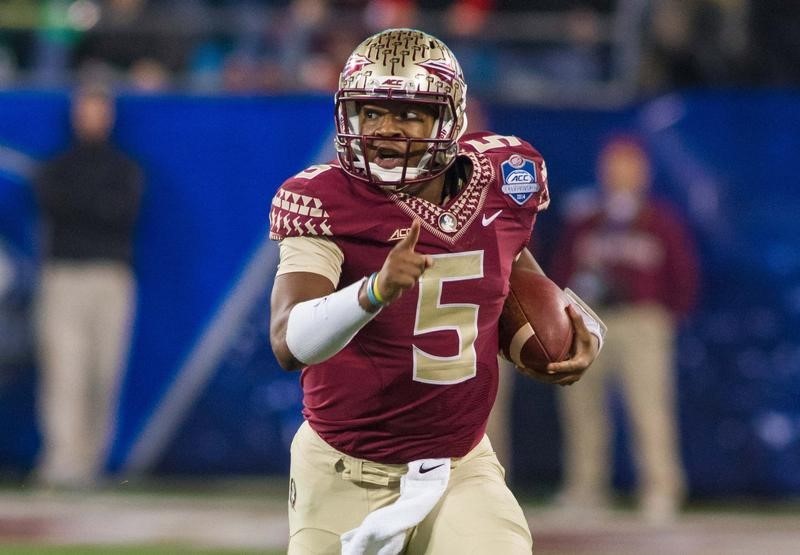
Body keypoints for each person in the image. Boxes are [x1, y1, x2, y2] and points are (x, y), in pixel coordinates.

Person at [268, 28, 605, 554]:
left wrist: (583, 329)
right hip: (343, 471)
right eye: (371, 112)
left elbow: (511, 266)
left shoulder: (504, 176)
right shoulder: (324, 198)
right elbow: (291, 341)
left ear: (448, 118)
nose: (385, 129)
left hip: (459, 466)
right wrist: (374, 291)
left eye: (408, 113)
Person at [549, 134, 700, 524]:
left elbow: (683, 273)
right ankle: (585, 489)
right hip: (589, 319)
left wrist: (665, 315)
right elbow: (564, 268)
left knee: (649, 408)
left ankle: (661, 489)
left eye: (628, 164)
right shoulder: (586, 217)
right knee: (582, 409)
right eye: (613, 164)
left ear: (643, 171)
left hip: (640, 320)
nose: (619, 173)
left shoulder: (660, 219)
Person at [33, 84, 143, 489]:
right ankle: (62, 461)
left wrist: (89, 209)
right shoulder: (57, 167)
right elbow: (54, 204)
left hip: (110, 277)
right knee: (65, 369)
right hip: (65, 275)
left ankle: (91, 462)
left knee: (103, 370)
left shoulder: (124, 168)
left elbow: (122, 212)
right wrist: (94, 209)